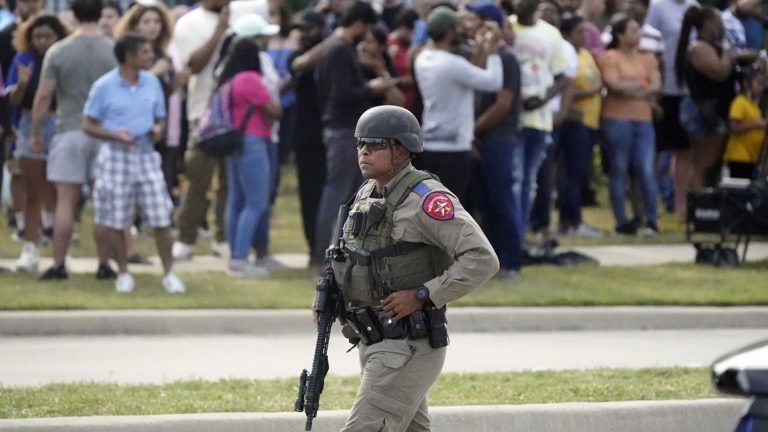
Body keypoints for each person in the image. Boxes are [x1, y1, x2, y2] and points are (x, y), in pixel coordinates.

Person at [316, 105, 499, 432]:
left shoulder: (426, 200)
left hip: (407, 344)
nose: (364, 151)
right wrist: (327, 296)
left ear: (400, 151)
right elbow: (349, 254)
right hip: (374, 339)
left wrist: (424, 294)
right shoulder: (367, 192)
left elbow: (482, 258)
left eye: (375, 144)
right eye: (360, 143)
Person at [82, 33, 185, 294]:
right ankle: (123, 273)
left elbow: (160, 118)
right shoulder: (104, 86)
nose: (149, 56)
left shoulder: (151, 83)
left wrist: (158, 129)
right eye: (144, 52)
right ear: (129, 57)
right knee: (117, 218)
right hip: (116, 155)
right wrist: (114, 134)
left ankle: (169, 274)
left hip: (146, 154)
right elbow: (88, 124)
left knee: (161, 216)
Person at [30, 0, 118, 280]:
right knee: (103, 201)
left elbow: (44, 95)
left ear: (74, 14)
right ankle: (104, 263)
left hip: (69, 128)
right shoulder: (113, 49)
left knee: (65, 201)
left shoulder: (59, 51)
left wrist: (35, 132)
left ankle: (59, 264)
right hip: (105, 132)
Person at [312, 1, 394, 268]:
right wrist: (371, 87)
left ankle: (339, 252)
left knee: (348, 194)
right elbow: (341, 94)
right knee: (337, 195)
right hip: (342, 129)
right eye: (367, 29)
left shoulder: (338, 48)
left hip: (341, 128)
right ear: (358, 25)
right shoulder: (339, 50)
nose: (367, 35)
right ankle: (322, 257)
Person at [414, 5, 503, 202]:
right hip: (454, 148)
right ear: (448, 32)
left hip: (431, 143)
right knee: (450, 207)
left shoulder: (423, 58)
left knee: (430, 204)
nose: (461, 31)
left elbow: (466, 74)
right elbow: (493, 82)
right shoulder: (452, 64)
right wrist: (493, 52)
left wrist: (480, 47)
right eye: (457, 27)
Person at [465, 3, 524, 279]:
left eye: (474, 19)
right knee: (484, 203)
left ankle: (511, 262)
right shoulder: (483, 55)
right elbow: (473, 78)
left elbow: (502, 104)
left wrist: (472, 130)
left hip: (498, 139)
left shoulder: (506, 58)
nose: (469, 23)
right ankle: (492, 263)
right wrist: (481, 47)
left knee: (501, 201)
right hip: (480, 139)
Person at [6, 13, 69, 272]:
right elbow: (12, 100)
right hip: (27, 122)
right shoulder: (23, 59)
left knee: (57, 191)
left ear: (59, 37)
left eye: (48, 36)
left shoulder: (64, 59)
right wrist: (21, 83)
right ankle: (30, 249)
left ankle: (59, 253)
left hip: (59, 123)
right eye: (37, 36)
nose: (42, 41)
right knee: (33, 190)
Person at [215, 38, 282, 277]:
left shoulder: (230, 80)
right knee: (256, 202)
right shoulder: (250, 79)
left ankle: (235, 256)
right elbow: (274, 110)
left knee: (236, 200)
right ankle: (240, 258)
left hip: (234, 143)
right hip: (253, 141)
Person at [170, 0, 231, 261]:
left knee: (230, 181)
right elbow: (194, 65)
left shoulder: (242, 13)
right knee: (198, 178)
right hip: (203, 112)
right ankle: (185, 238)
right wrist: (220, 29)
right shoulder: (189, 22)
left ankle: (223, 238)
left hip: (237, 112)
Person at [598, 15, 661, 236]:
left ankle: (651, 220)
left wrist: (632, 86)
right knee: (619, 170)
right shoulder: (610, 57)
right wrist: (643, 84)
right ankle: (622, 221)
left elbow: (656, 85)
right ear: (620, 35)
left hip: (643, 120)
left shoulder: (647, 58)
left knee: (645, 170)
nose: (638, 34)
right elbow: (614, 84)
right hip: (617, 119)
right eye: (633, 30)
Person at [645, 0, 698, 221]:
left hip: (687, 90)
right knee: (655, 150)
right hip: (664, 89)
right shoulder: (658, 6)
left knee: (683, 150)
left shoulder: (694, 6)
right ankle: (650, 203)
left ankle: (681, 205)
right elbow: (649, 47)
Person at [675, 5, 735, 189]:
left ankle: (701, 201)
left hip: (713, 109)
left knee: (710, 166)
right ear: (708, 23)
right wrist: (728, 52)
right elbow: (720, 72)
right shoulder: (699, 47)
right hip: (705, 110)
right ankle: (695, 204)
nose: (722, 26)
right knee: (704, 165)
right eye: (718, 22)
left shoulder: (710, 46)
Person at [557, 14, 603, 238]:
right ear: (566, 34)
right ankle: (572, 221)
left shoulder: (585, 54)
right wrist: (590, 91)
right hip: (573, 120)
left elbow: (598, 79)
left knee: (578, 172)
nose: (585, 36)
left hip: (590, 120)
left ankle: (570, 220)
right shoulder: (563, 54)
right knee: (572, 173)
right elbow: (566, 87)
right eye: (579, 32)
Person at [723, 70, 766, 180]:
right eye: (759, 83)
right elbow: (734, 127)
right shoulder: (740, 102)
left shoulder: (755, 106)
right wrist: (757, 124)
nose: (761, 88)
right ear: (747, 84)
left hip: (752, 157)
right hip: (739, 156)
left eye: (763, 84)